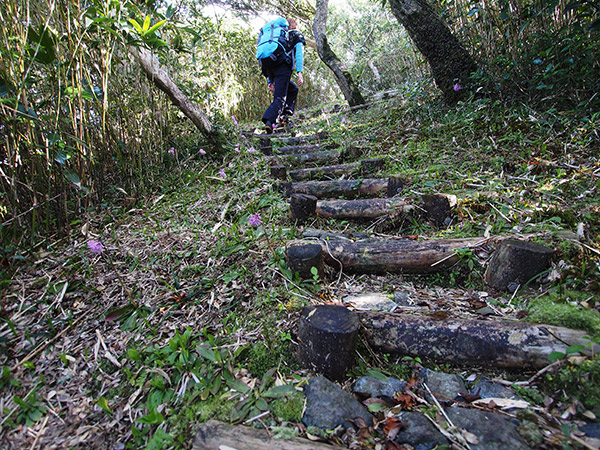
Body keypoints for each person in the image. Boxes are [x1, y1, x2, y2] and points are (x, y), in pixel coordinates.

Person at [257, 17, 305, 134]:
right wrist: (300, 73)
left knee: (292, 89)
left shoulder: (276, 37)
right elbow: (299, 53)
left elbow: (269, 63)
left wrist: (269, 80)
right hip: (282, 67)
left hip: (270, 66)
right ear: (294, 25)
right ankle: (269, 121)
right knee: (280, 98)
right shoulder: (295, 34)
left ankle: (284, 117)